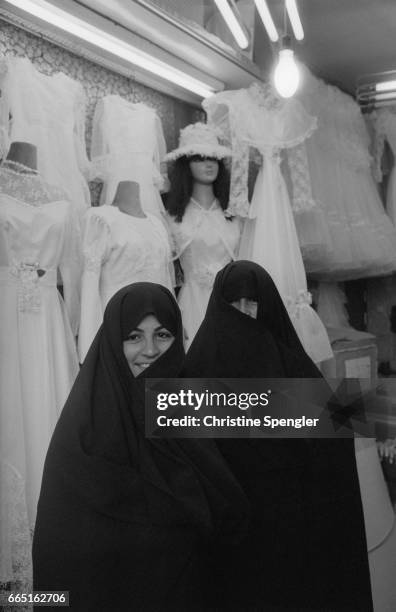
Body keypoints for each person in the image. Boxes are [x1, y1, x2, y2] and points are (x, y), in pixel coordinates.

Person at [32, 282, 247, 611]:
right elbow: (64, 551)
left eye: (162, 335)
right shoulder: (84, 429)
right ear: (114, 342)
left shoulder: (189, 404)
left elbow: (312, 412)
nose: (150, 350)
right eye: (134, 336)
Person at [182, 261, 373, 611]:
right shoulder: (199, 364)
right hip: (228, 532)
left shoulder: (289, 361)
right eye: (233, 304)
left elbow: (338, 430)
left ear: (266, 304)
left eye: (251, 303)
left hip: (285, 527)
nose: (242, 313)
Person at [165, 122, 241, 348]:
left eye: (213, 158)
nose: (208, 164)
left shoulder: (234, 214)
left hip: (232, 306)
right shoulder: (172, 216)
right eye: (199, 157)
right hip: (190, 306)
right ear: (185, 165)